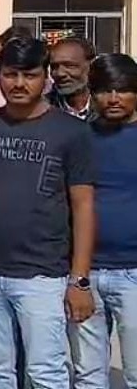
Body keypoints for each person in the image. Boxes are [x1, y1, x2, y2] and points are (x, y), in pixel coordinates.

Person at [0, 36, 96, 388]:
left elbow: (83, 205)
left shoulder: (71, 132)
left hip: (42, 275)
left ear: (45, 77)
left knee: (46, 372)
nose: (19, 84)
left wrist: (80, 280)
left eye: (29, 75)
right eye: (10, 74)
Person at [70, 53, 137, 388]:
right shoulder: (77, 138)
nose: (113, 98)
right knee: (88, 376)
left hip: (134, 272)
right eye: (104, 90)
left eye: (122, 90)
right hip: (86, 273)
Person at [48, 37, 97, 121]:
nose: (60, 73)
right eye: (54, 67)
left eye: (69, 66)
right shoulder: (41, 110)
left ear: (91, 65)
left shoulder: (109, 106)